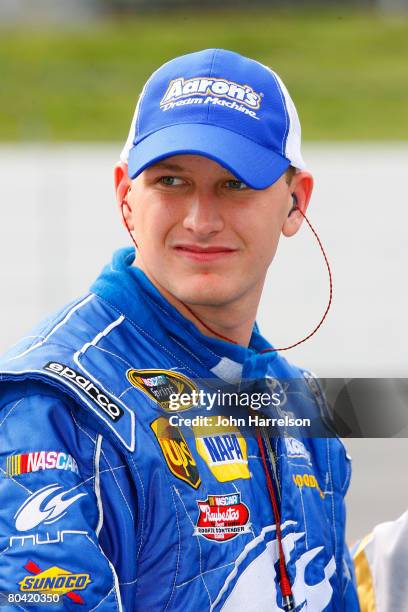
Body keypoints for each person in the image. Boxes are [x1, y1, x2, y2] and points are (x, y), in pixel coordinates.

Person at [0, 49, 359, 611]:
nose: (200, 220)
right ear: (126, 197)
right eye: (171, 181)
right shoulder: (51, 406)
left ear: (296, 203)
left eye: (235, 185)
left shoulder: (295, 401)